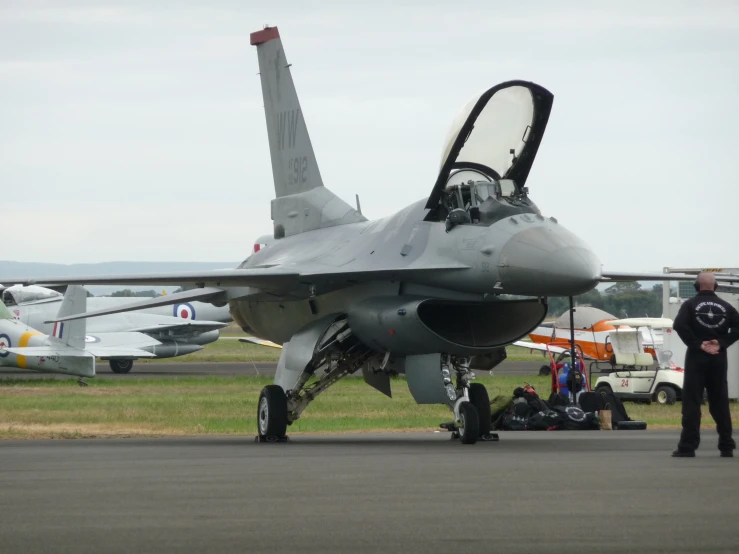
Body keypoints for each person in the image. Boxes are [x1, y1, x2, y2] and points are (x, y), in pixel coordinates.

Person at [672, 272, 739, 457]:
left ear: (696, 285)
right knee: (720, 401)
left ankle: (688, 447)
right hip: (718, 357)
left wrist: (698, 344)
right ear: (715, 285)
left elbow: (679, 325)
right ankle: (726, 445)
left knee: (692, 401)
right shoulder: (726, 307)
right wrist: (721, 342)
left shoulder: (690, 305)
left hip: (696, 357)